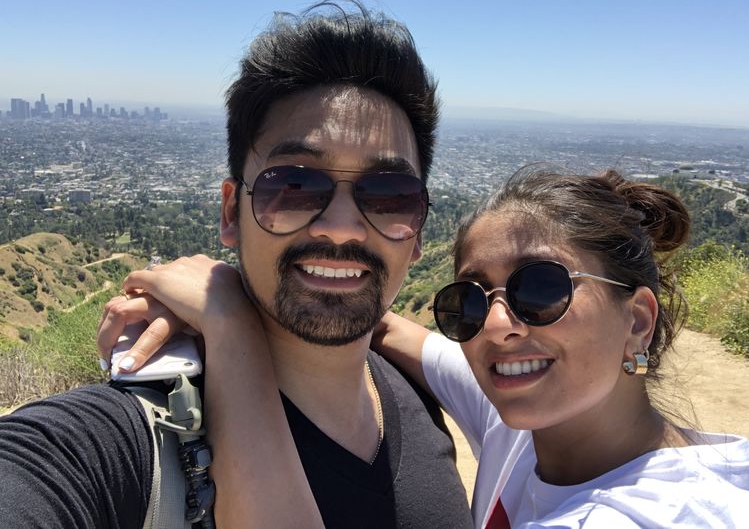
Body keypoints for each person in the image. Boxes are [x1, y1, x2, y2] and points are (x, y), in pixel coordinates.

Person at [0, 0, 473, 528]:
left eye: (389, 194)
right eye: (294, 185)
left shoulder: (421, 399)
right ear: (231, 211)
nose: (341, 226)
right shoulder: (131, 442)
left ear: (416, 236)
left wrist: (225, 315)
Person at [114, 167, 749, 527]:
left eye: (542, 290)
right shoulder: (530, 425)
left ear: (637, 320)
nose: (497, 325)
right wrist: (251, 285)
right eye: (468, 301)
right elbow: (380, 326)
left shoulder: (654, 514)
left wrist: (228, 327)